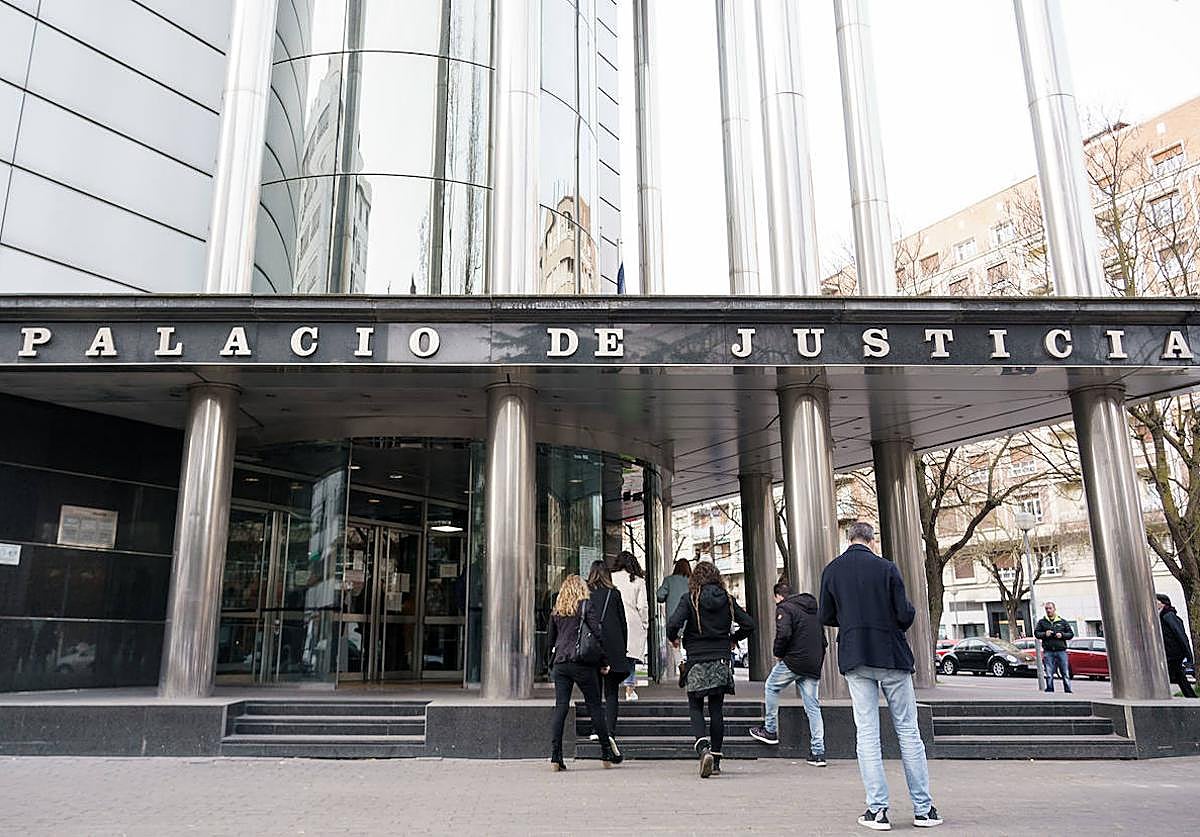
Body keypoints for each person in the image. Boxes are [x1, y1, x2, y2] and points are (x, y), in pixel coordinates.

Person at [820, 522, 943, 830]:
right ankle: (923, 809)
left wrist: (850, 621)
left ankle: (878, 811)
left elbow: (825, 615)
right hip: (891, 655)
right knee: (908, 732)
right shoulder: (887, 568)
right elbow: (904, 614)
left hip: (855, 656)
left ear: (848, 539)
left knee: (867, 733)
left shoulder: (832, 571)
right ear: (872, 540)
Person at [667, 561, 755, 778]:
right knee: (716, 709)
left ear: (695, 579)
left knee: (695, 706)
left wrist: (674, 639)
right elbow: (749, 624)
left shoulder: (690, 599)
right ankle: (715, 760)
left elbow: (672, 624)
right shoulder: (727, 600)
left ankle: (702, 748)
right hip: (720, 660)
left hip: (696, 661)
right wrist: (733, 639)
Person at [546, 574, 623, 770]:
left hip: (561, 663)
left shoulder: (557, 610)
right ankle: (606, 752)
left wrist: (550, 663)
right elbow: (598, 634)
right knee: (594, 706)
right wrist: (604, 661)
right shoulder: (586, 606)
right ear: (581, 589)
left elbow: (550, 640)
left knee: (561, 706)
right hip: (582, 663)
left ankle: (556, 757)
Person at [748, 581, 827, 767]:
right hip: (814, 661)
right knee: (813, 706)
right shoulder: (812, 609)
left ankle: (770, 730)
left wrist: (778, 653)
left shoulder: (784, 608)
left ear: (778, 596)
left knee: (771, 686)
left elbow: (783, 633)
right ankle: (818, 752)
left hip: (794, 660)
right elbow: (822, 638)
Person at [587, 560, 630, 737]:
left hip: (592, 647)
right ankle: (610, 731)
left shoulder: (586, 594)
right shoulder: (614, 594)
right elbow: (623, 623)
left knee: (594, 692)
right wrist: (623, 647)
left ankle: (596, 729)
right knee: (611, 693)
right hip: (613, 647)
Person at [612, 551, 650, 701]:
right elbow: (643, 605)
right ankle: (629, 689)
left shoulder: (611, 578)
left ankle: (613, 687)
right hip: (633, 620)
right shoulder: (639, 581)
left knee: (615, 655)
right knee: (630, 657)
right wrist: (644, 623)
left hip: (615, 619)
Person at [657, 558, 692, 681]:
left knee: (675, 644)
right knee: (691, 644)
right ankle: (691, 666)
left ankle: (681, 665)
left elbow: (659, 596)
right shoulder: (692, 581)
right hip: (690, 618)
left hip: (675, 619)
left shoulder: (669, 580)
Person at [1157, 593, 1197, 698]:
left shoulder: (1168, 615)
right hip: (1171, 653)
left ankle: (1159, 696)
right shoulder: (1162, 616)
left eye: (1156, 601)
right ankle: (1191, 697)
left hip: (1173, 653)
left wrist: (1188, 655)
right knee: (1179, 676)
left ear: (1162, 603)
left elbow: (1180, 634)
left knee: (1163, 674)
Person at [1033, 601, 1074, 694]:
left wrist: (1062, 635)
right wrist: (1045, 634)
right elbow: (1036, 633)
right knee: (1049, 672)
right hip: (1048, 651)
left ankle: (1067, 689)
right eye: (1046, 609)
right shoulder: (1042, 622)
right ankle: (1050, 689)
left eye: (1050, 608)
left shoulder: (1062, 622)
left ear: (1054, 609)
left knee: (1065, 671)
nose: (1048, 610)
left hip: (1061, 650)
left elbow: (1071, 634)